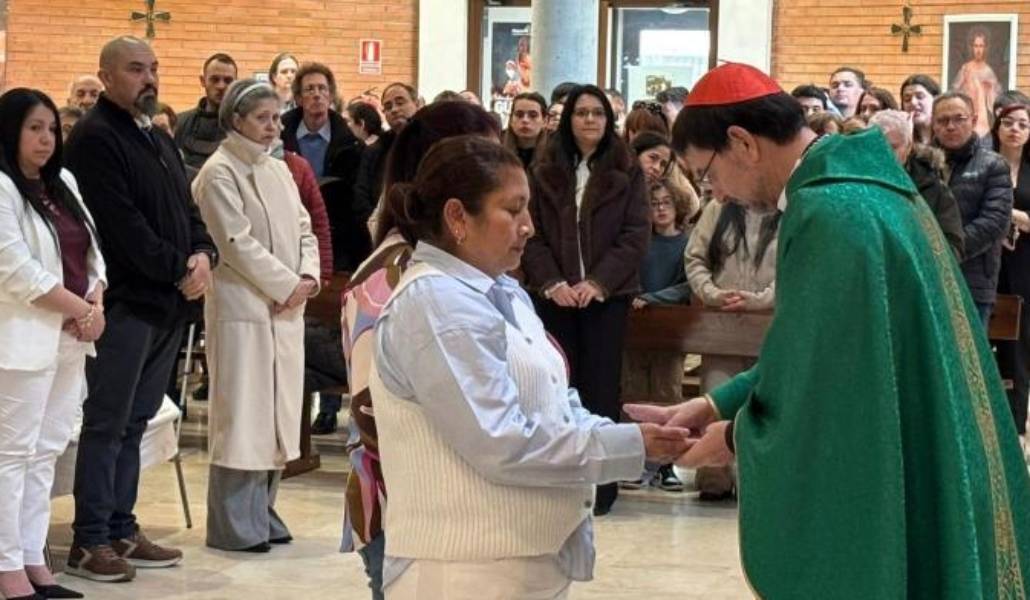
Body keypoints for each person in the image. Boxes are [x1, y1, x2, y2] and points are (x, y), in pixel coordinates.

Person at [628, 61, 1030, 598]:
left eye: (708, 172)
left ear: (742, 142)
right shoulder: (867, 191)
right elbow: (812, 349)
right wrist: (712, 405)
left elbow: (832, 388)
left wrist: (733, 439)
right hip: (936, 446)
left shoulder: (829, 213)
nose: (715, 193)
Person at [371, 134, 686, 598]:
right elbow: (500, 441)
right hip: (463, 568)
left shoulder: (504, 291)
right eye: (513, 210)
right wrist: (630, 445)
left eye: (528, 209)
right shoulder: (435, 302)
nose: (529, 227)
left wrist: (636, 433)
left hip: (525, 560)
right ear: (457, 217)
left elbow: (557, 405)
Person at [63, 36, 217, 583]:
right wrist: (180, 268)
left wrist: (204, 254)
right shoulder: (94, 138)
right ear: (106, 76)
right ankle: (89, 541)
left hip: (165, 305)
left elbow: (186, 208)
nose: (149, 78)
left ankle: (121, 528)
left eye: (153, 68)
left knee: (136, 423)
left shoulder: (155, 134)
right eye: (135, 69)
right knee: (107, 423)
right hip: (127, 303)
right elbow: (119, 225)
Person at [340, 100, 502, 600]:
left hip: (457, 505)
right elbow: (374, 412)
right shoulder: (391, 275)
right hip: (408, 509)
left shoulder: (457, 265)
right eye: (486, 163)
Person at [191, 79, 319, 553]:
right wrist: (285, 286)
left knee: (276, 413)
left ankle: (262, 512)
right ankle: (233, 523)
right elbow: (235, 243)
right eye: (262, 118)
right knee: (244, 416)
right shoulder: (219, 172)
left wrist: (307, 278)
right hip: (243, 307)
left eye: (276, 117)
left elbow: (305, 227)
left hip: (285, 308)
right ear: (236, 120)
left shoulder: (278, 168)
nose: (273, 126)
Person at [522, 84, 651, 516]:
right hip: (554, 296)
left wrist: (597, 283)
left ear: (608, 120)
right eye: (581, 113)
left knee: (600, 389)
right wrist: (552, 282)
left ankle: (603, 486)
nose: (590, 120)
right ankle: (561, 480)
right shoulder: (545, 167)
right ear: (569, 120)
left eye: (597, 113)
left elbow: (635, 235)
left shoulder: (626, 167)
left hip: (605, 298)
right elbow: (531, 233)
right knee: (557, 386)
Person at [0, 88, 107, 600]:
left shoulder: (63, 182)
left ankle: (32, 557)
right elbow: (15, 270)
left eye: (52, 129)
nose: (46, 139)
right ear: (10, 130)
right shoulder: (1, 186)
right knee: (11, 454)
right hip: (21, 339)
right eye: (34, 128)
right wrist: (81, 310)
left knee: (46, 453)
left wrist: (96, 302)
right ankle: (6, 568)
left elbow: (93, 253)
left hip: (70, 338)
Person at [620, 178, 693, 492]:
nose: (661, 209)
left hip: (672, 329)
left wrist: (655, 299)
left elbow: (689, 284)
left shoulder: (688, 243)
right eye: (654, 204)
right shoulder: (639, 242)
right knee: (634, 394)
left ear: (677, 206)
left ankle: (666, 466)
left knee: (668, 394)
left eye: (666, 203)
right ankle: (635, 462)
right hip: (636, 326)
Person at [932, 92, 1013, 324]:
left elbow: (995, 222)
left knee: (969, 346)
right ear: (933, 124)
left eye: (959, 118)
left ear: (974, 119)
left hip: (973, 280)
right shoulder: (921, 164)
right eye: (942, 120)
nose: (950, 126)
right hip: (927, 277)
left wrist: (946, 251)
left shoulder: (993, 164)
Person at [282, 62, 367, 272]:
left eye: (322, 89)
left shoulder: (351, 145)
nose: (317, 95)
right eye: (309, 89)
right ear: (298, 98)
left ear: (331, 96)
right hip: (288, 232)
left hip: (336, 237)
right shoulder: (279, 138)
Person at [869, 109, 964, 259]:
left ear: (908, 147)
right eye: (877, 147)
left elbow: (952, 245)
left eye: (892, 147)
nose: (884, 154)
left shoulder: (932, 187)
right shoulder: (854, 184)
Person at [992, 102, 1030, 448]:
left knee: (1019, 347)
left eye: (1022, 124)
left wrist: (1007, 212)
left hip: (1025, 267)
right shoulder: (984, 162)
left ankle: (1016, 430)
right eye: (1008, 123)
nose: (1015, 129)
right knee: (990, 342)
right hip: (988, 265)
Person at [356, 82, 419, 241]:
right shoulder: (374, 151)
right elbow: (361, 196)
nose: (394, 110)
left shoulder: (430, 144)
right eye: (388, 107)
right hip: (383, 232)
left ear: (417, 104)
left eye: (400, 102)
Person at [175, 53, 238, 169]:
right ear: (203, 81)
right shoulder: (179, 124)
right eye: (215, 79)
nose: (221, 86)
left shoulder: (245, 128)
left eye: (228, 80)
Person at [952, 27, 1001, 138]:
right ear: (972, 47)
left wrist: (989, 88)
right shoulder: (966, 68)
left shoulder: (988, 71)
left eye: (981, 46)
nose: (978, 50)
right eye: (976, 46)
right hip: (966, 110)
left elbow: (994, 99)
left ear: (985, 48)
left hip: (981, 114)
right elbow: (955, 90)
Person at [501, 91, 548, 169]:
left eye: (533, 115)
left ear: (544, 121)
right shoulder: (496, 146)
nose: (525, 120)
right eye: (519, 115)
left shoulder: (554, 151)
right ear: (511, 119)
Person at [900, 74, 940, 145]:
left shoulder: (946, 136)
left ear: (935, 99)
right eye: (907, 99)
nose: (913, 102)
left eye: (920, 96)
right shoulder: (898, 139)